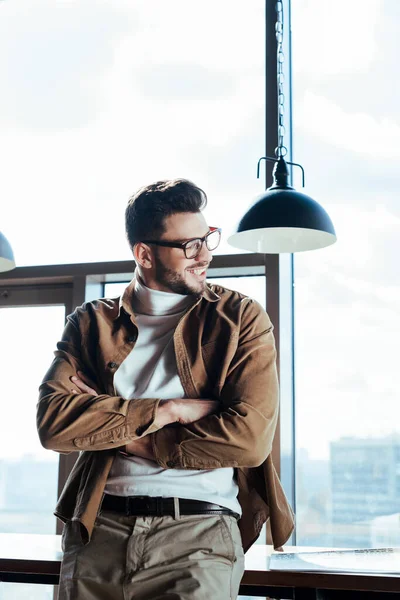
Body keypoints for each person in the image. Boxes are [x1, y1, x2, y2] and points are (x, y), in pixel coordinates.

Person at [37, 178, 294, 600]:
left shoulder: (240, 318)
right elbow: (54, 426)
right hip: (98, 532)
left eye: (208, 238)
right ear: (144, 253)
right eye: (190, 245)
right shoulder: (91, 323)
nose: (206, 254)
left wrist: (122, 434)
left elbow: (248, 440)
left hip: (199, 538)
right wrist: (173, 410)